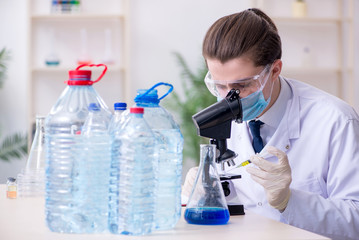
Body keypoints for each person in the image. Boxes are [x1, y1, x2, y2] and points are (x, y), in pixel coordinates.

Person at [182, 8, 359, 240]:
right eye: (219, 85)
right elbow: (238, 192)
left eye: (241, 86)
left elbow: (355, 221)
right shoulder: (226, 114)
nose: (228, 98)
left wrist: (289, 201)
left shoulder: (336, 121)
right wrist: (208, 191)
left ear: (274, 70)